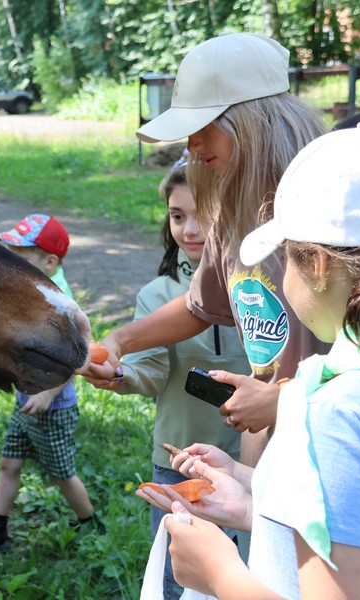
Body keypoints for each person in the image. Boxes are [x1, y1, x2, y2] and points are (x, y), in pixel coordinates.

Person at [139, 124, 360, 599]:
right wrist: (257, 502)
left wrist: (219, 575)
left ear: (317, 266)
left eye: (284, 257)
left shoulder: (341, 414)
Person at [79, 32, 330, 466]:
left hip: (331, 438)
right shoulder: (232, 217)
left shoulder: (328, 212)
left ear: (251, 122)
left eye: (202, 126)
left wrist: (284, 401)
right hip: (266, 442)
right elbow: (200, 307)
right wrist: (123, 338)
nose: (192, 145)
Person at [115, 156, 250, 598]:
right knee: (180, 576)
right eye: (177, 216)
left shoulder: (257, 287)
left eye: (204, 216)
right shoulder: (156, 295)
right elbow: (150, 373)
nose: (190, 230)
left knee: (245, 571)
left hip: (250, 463)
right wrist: (118, 373)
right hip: (180, 459)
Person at [0, 214, 102, 549]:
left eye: (20, 255)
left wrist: (48, 395)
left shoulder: (60, 301)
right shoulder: (32, 291)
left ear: (49, 261)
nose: (10, 260)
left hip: (51, 409)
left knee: (61, 476)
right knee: (9, 463)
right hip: (26, 403)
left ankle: (91, 526)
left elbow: (76, 356)